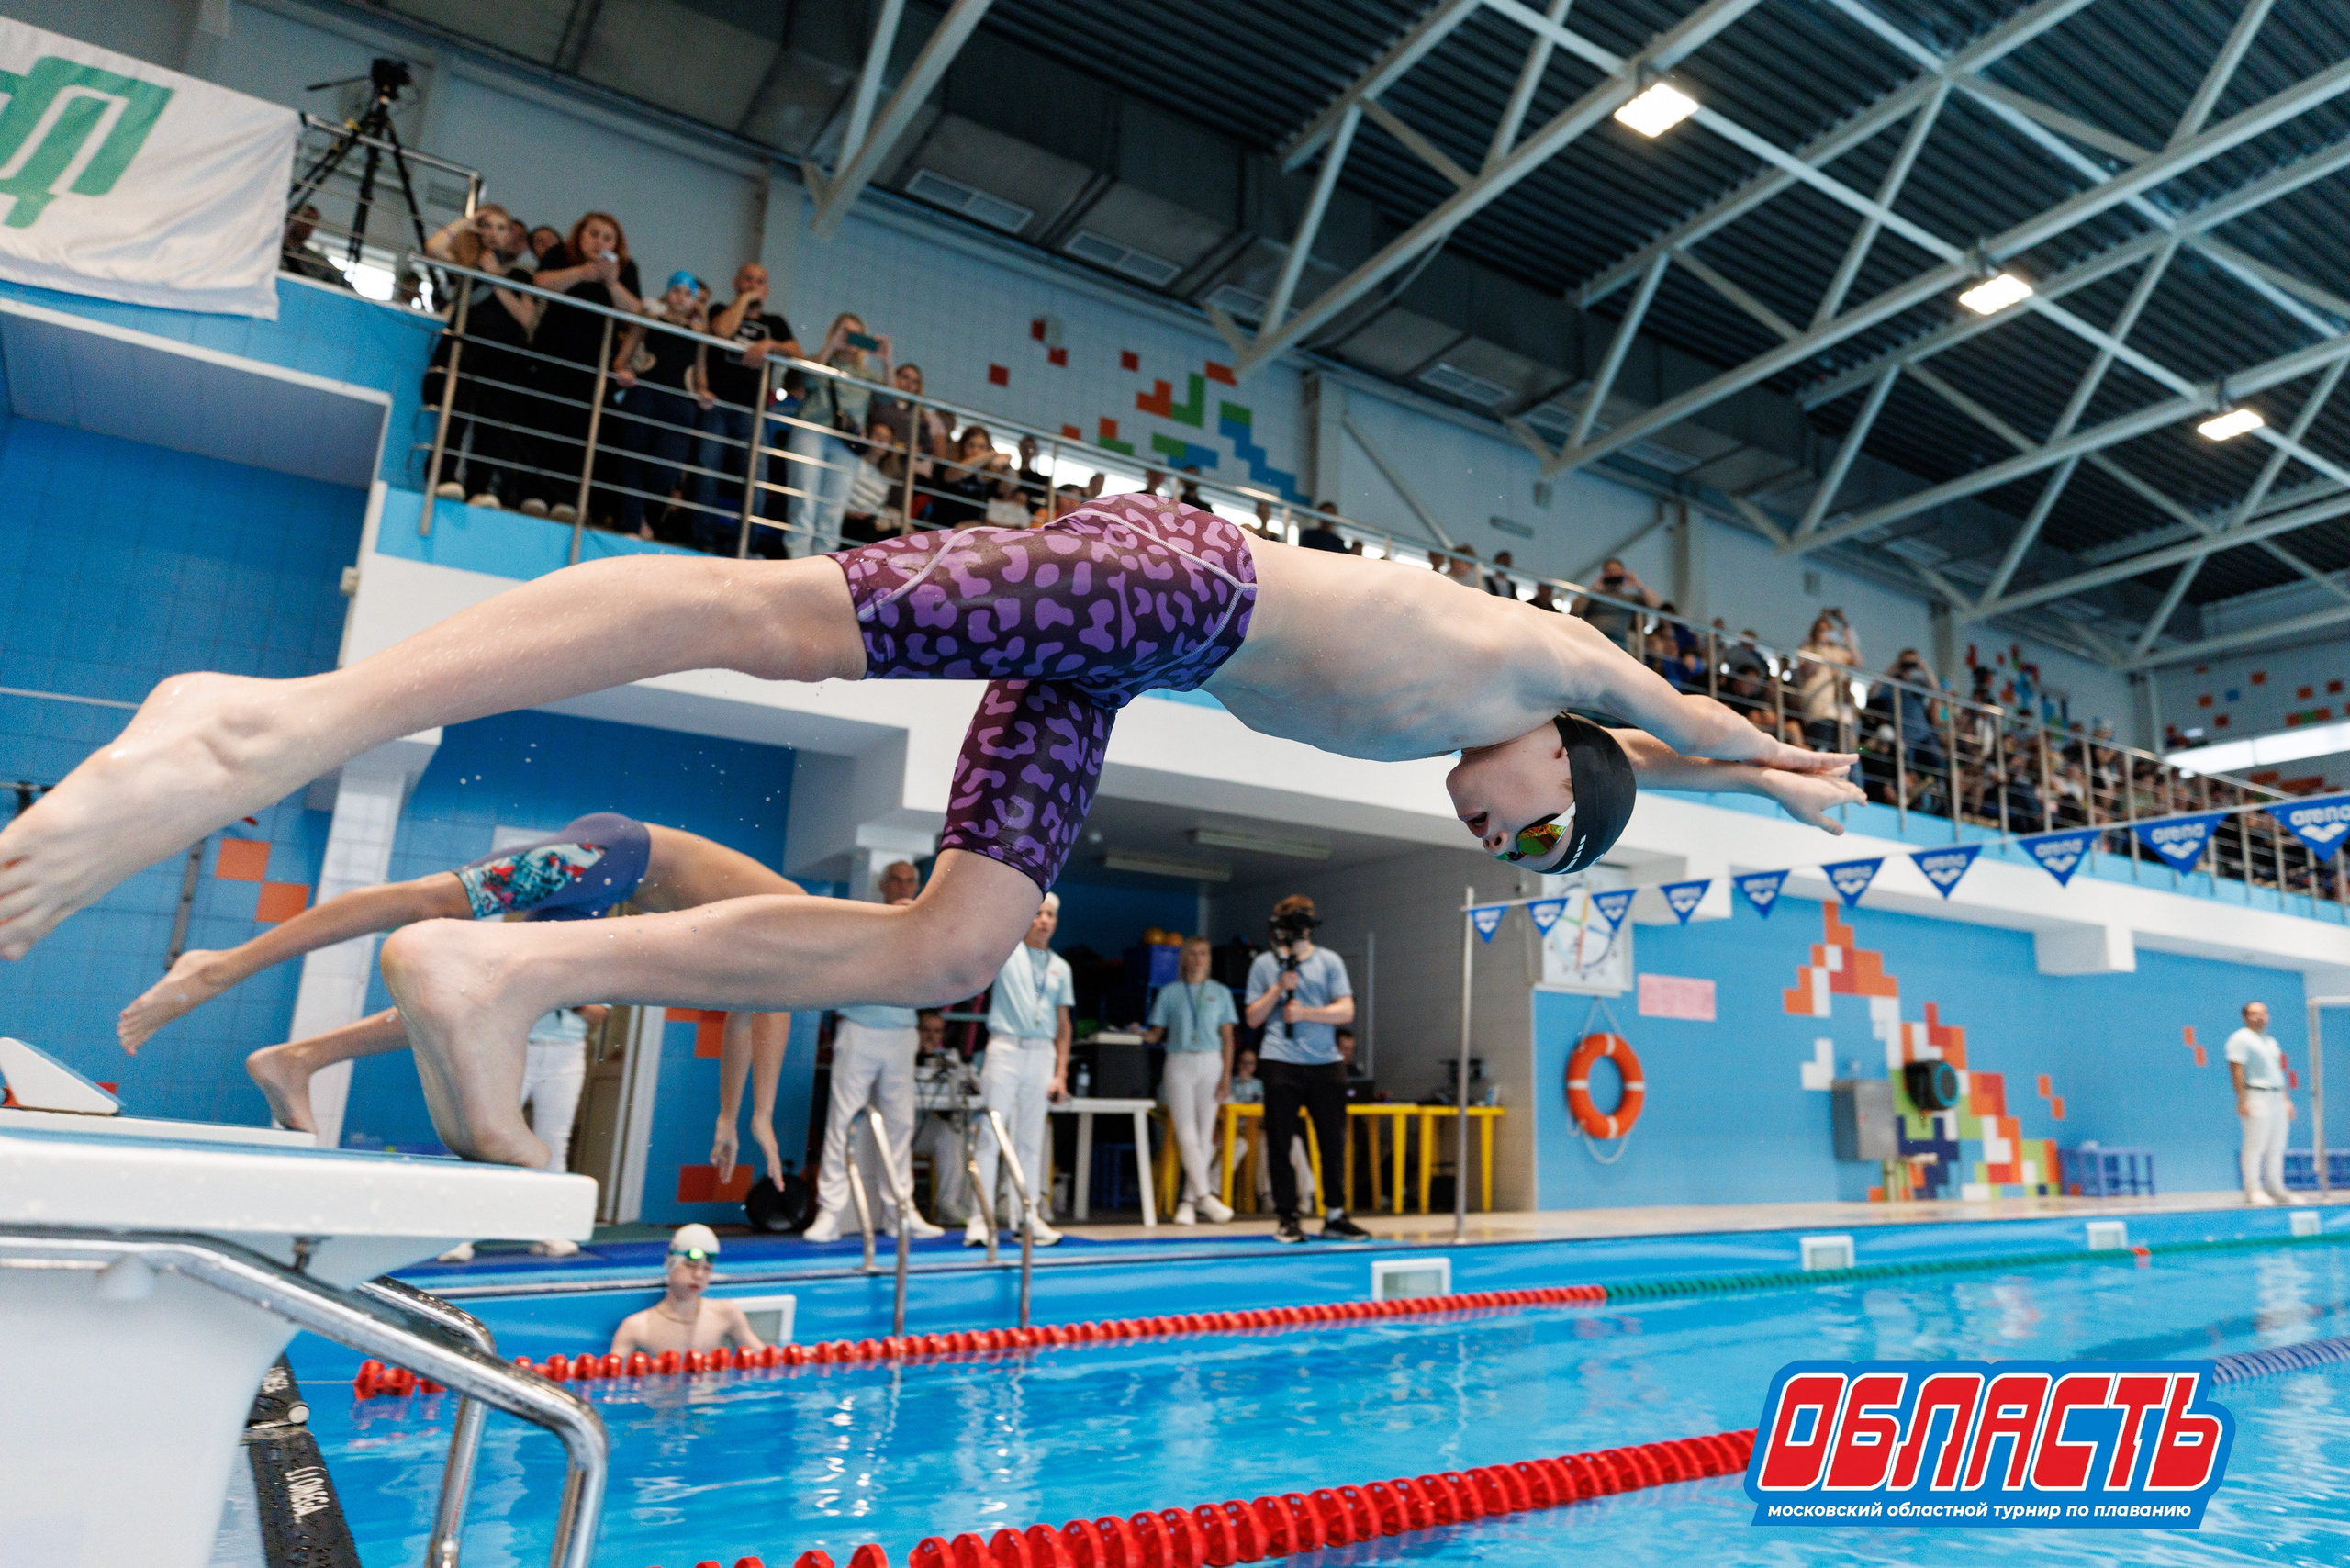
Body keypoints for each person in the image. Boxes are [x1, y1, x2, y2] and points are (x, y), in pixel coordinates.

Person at [0, 496, 1863, 1173]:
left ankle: (500, 970)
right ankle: (268, 722)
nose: (1495, 840)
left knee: (950, 942)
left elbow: (1648, 763)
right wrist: (1779, 757)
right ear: (1566, 761)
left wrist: (1721, 784)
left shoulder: (1489, 726)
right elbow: (1661, 715)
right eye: (1531, 838)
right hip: (1169, 577)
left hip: (1127, 655)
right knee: (774, 615)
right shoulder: (1536, 663)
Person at [115, 812, 799, 1173]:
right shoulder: (813, 927)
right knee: (430, 901)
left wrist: (736, 1117)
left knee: (485, 992)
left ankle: (299, 1059)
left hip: (610, 887)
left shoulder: (782, 965)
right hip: (617, 854)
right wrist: (756, 1117)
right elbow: (772, 1019)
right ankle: (218, 966)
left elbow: (753, 1017)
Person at [802, 859, 944, 1242]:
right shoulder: (863, 921)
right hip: (859, 1029)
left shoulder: (924, 928)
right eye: (896, 880)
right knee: (842, 1122)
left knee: (900, 1125)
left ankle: (901, 1214)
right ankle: (829, 1214)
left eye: (910, 881)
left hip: (902, 1033)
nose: (902, 887)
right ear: (883, 885)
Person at [1244, 896, 1364, 1245]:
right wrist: (1278, 988)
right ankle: (1287, 1217)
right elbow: (1252, 1018)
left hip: (1325, 1063)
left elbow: (1346, 1011)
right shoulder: (1264, 964)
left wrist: (1306, 1014)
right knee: (1280, 1141)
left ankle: (1335, 1215)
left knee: (1332, 1141)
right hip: (1280, 1059)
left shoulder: (1329, 961)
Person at [522, 213, 644, 521]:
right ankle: (532, 493)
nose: (599, 242)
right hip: (552, 352)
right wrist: (582, 272)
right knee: (543, 422)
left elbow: (636, 311)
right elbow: (540, 282)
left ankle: (567, 499)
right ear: (580, 234)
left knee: (579, 430)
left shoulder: (626, 268)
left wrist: (610, 281)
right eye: (593, 234)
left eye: (607, 238)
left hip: (594, 361)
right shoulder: (560, 254)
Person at [967, 893, 1070, 1246]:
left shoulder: (1061, 968)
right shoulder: (1006, 953)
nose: (1044, 920)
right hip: (1005, 1049)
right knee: (990, 1135)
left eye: (1050, 914)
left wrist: (1061, 1073)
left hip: (1041, 1055)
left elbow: (1064, 1024)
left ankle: (1027, 1217)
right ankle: (980, 1219)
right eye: (1038, 913)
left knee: (1030, 1141)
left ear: (1056, 921)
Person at [424, 207, 539, 509]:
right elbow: (433, 247)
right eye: (487, 226)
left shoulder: (519, 275)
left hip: (504, 356)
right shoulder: (466, 265)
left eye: (501, 228)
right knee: (456, 413)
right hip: (466, 348)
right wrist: (467, 221)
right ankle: (444, 477)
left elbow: (526, 317)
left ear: (510, 235)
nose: (494, 234)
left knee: (492, 424)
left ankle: (480, 487)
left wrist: (496, 279)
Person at [693, 263, 800, 554]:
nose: (753, 285)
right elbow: (722, 330)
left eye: (759, 282)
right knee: (707, 468)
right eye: (748, 280)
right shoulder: (720, 310)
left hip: (752, 411)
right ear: (736, 283)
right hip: (716, 402)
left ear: (767, 289)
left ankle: (743, 545)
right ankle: (703, 539)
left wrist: (769, 345)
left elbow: (797, 353)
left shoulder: (775, 323)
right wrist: (744, 301)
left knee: (756, 477)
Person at [1142, 935, 1237, 1226]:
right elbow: (1156, 1033)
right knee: (1186, 1134)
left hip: (1211, 1062)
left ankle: (1188, 1201)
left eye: (1203, 954)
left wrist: (1226, 1076)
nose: (1198, 959)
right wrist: (1137, 1033)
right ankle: (1205, 1197)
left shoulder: (1220, 992)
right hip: (1179, 1061)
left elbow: (1228, 1038)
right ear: (1184, 958)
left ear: (1209, 958)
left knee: (1206, 1135)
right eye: (1193, 954)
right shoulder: (1169, 993)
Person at [611, 272, 710, 541]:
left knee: (667, 468)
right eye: (676, 290)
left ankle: (638, 513)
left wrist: (703, 392)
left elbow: (700, 373)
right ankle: (632, 523)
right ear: (667, 293)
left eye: (688, 294)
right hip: (644, 394)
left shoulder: (700, 333)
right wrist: (623, 372)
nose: (681, 298)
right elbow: (622, 359)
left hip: (680, 402)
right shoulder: (649, 320)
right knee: (633, 458)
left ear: (695, 300)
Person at [789, 312, 892, 554]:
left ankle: (823, 562)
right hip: (811, 430)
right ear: (834, 332)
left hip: (847, 443)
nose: (850, 339)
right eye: (845, 332)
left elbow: (889, 398)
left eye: (856, 335)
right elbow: (807, 379)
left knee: (833, 507)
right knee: (803, 498)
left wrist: (887, 361)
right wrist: (830, 346)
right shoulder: (819, 359)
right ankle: (797, 558)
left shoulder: (866, 375)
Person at [607, 1226, 766, 1356]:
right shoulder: (636, 1327)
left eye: (707, 1268)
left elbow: (767, 1359)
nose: (699, 1275)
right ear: (670, 1264)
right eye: (690, 1265)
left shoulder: (726, 1314)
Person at [2227, 1002, 2292, 1205]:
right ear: (2245, 1017)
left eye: (2263, 1013)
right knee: (2255, 1144)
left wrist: (2286, 1099)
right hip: (2255, 1095)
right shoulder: (2240, 1039)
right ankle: (2253, 1189)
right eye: (2254, 1013)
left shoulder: (2270, 1041)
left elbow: (2276, 1072)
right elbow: (2236, 1070)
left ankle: (2276, 1188)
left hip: (2276, 1096)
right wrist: (2242, 1099)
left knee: (2277, 1145)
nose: (2260, 1017)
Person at [1570, 558, 1656, 655]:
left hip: (1618, 645)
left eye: (1617, 572)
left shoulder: (1630, 598)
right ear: (1604, 574)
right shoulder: (1593, 596)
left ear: (1623, 574)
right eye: (1609, 572)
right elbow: (1574, 610)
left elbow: (1655, 605)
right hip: (1593, 641)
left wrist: (1638, 585)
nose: (1613, 574)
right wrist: (1592, 590)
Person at [280, 205, 347, 286]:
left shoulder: (317, 261)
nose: (308, 225)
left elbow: (345, 285)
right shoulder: (271, 249)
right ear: (291, 217)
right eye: (306, 217)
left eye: (313, 222)